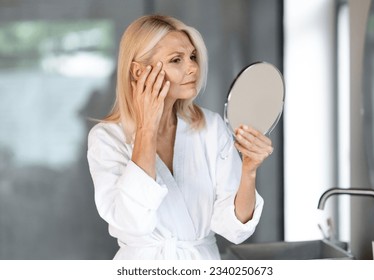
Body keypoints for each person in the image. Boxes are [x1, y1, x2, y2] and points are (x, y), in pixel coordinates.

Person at [87, 14, 274, 260]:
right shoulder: (107, 138)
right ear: (138, 72)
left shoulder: (210, 127)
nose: (193, 67)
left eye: (193, 56)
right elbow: (132, 222)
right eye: (177, 60)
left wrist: (249, 170)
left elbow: (234, 227)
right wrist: (146, 129)